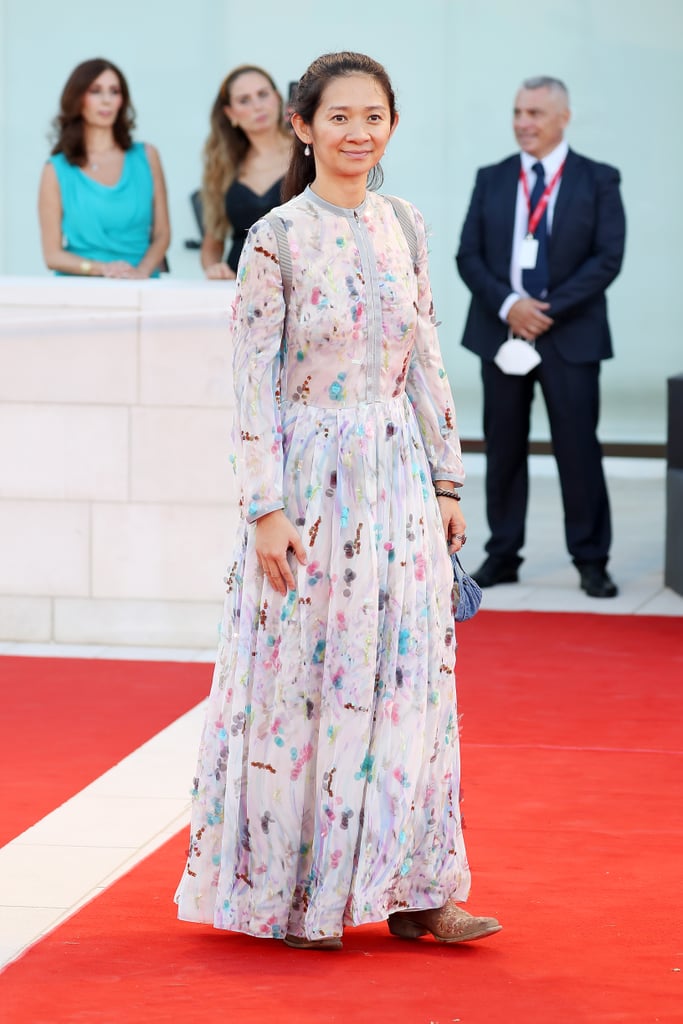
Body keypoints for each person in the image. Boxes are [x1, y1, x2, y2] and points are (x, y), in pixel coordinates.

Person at [175, 51, 501, 950]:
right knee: (303, 684)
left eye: (374, 117)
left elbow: (426, 357)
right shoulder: (275, 235)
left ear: (390, 126)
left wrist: (446, 480)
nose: (358, 134)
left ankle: (420, 891)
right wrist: (264, 508)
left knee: (410, 686)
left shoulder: (406, 224)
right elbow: (251, 384)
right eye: (341, 118)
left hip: (397, 479)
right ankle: (296, 896)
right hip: (308, 488)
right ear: (303, 125)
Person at [456, 76, 626, 598]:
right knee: (503, 447)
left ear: (563, 117)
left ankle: (591, 559)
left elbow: (607, 258)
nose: (523, 122)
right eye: (516, 112)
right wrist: (511, 305)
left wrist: (543, 311)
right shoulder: (492, 177)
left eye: (534, 112)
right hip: (500, 332)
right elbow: (469, 255)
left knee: (578, 448)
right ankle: (503, 554)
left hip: (568, 335)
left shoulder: (598, 179)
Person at [38, 58, 170, 278]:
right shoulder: (56, 169)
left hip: (142, 285)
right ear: (78, 99)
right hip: (79, 289)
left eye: (114, 91)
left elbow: (163, 233)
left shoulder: (147, 156)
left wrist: (142, 272)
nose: (107, 100)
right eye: (96, 91)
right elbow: (52, 255)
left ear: (122, 100)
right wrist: (103, 269)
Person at [200, 65, 292, 280]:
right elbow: (211, 245)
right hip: (240, 289)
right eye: (244, 100)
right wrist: (213, 268)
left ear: (277, 98)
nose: (257, 106)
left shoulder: (308, 151)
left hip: (301, 287)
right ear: (230, 113)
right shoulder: (224, 166)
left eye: (263, 94)